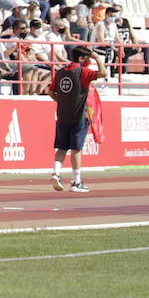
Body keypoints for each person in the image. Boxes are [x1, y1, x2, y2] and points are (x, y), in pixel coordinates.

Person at [47, 45, 106, 193]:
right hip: (78, 116)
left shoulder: (60, 72)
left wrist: (60, 102)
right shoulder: (83, 72)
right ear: (81, 58)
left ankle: (56, 172)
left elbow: (50, 91)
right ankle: (76, 182)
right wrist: (97, 57)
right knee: (76, 149)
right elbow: (103, 73)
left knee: (61, 147)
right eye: (87, 58)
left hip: (62, 116)